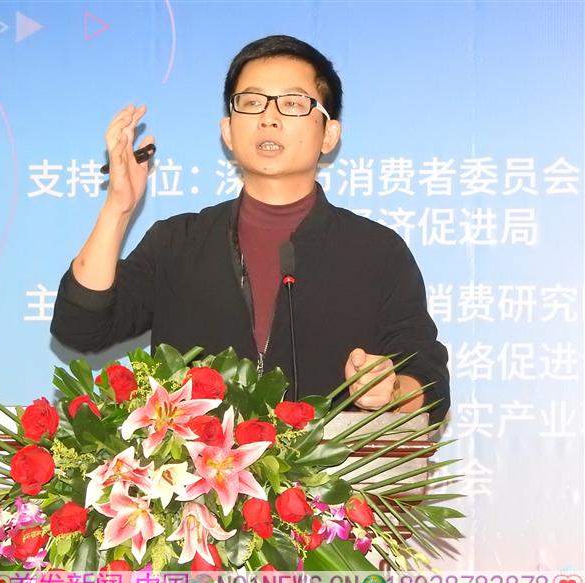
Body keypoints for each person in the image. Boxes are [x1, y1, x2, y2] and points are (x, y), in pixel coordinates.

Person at [51, 35, 450, 424]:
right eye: (252, 102)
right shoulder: (177, 243)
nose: (268, 118)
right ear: (228, 130)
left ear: (329, 135)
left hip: (334, 469)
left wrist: (391, 389)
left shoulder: (375, 251)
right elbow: (80, 328)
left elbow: (429, 380)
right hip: (199, 469)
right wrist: (118, 208)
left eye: (293, 103)